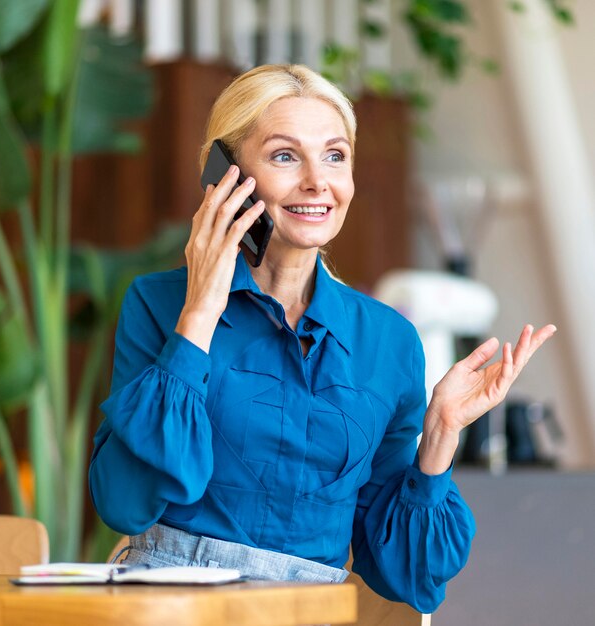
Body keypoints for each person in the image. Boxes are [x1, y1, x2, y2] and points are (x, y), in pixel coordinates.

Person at [89, 64, 556, 613]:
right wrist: (199, 315)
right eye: (285, 156)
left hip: (310, 613)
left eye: (335, 156)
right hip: (170, 609)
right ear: (226, 176)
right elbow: (124, 503)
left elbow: (407, 577)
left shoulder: (389, 342)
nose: (318, 182)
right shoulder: (158, 304)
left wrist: (439, 436)